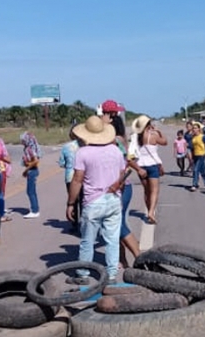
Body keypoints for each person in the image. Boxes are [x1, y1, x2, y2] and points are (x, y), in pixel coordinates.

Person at [66, 116, 125, 284]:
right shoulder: (115, 150)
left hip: (93, 201)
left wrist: (71, 203)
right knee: (112, 239)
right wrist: (116, 185)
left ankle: (83, 274)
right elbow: (122, 173)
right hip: (113, 199)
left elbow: (77, 180)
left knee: (87, 241)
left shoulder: (83, 153)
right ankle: (112, 274)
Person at [101, 112, 143, 268]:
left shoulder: (116, 141)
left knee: (118, 224)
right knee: (115, 225)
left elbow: (123, 166)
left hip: (120, 187)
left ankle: (139, 257)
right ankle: (123, 259)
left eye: (104, 116)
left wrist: (117, 186)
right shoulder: (115, 140)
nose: (102, 118)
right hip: (117, 187)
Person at [132, 115, 167, 224]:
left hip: (141, 165)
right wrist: (159, 132)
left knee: (146, 191)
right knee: (154, 191)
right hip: (152, 165)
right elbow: (164, 142)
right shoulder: (153, 136)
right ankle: (151, 212)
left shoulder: (135, 137)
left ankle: (148, 211)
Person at [58, 125, 81, 228]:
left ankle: (74, 223)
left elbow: (62, 163)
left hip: (70, 176)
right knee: (84, 201)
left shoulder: (66, 147)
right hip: (83, 176)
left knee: (73, 200)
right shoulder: (85, 145)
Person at [21, 131, 42, 219]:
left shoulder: (29, 149)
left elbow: (36, 161)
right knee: (31, 191)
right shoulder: (29, 147)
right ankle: (34, 208)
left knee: (30, 191)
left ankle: (35, 210)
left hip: (32, 171)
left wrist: (27, 169)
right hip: (32, 170)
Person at [190, 123, 205, 191]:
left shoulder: (202, 136)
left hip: (201, 155)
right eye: (193, 128)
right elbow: (192, 148)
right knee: (202, 171)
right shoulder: (193, 137)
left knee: (195, 170)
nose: (194, 129)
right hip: (195, 156)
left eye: (195, 128)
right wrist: (192, 157)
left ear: (198, 129)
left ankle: (194, 185)